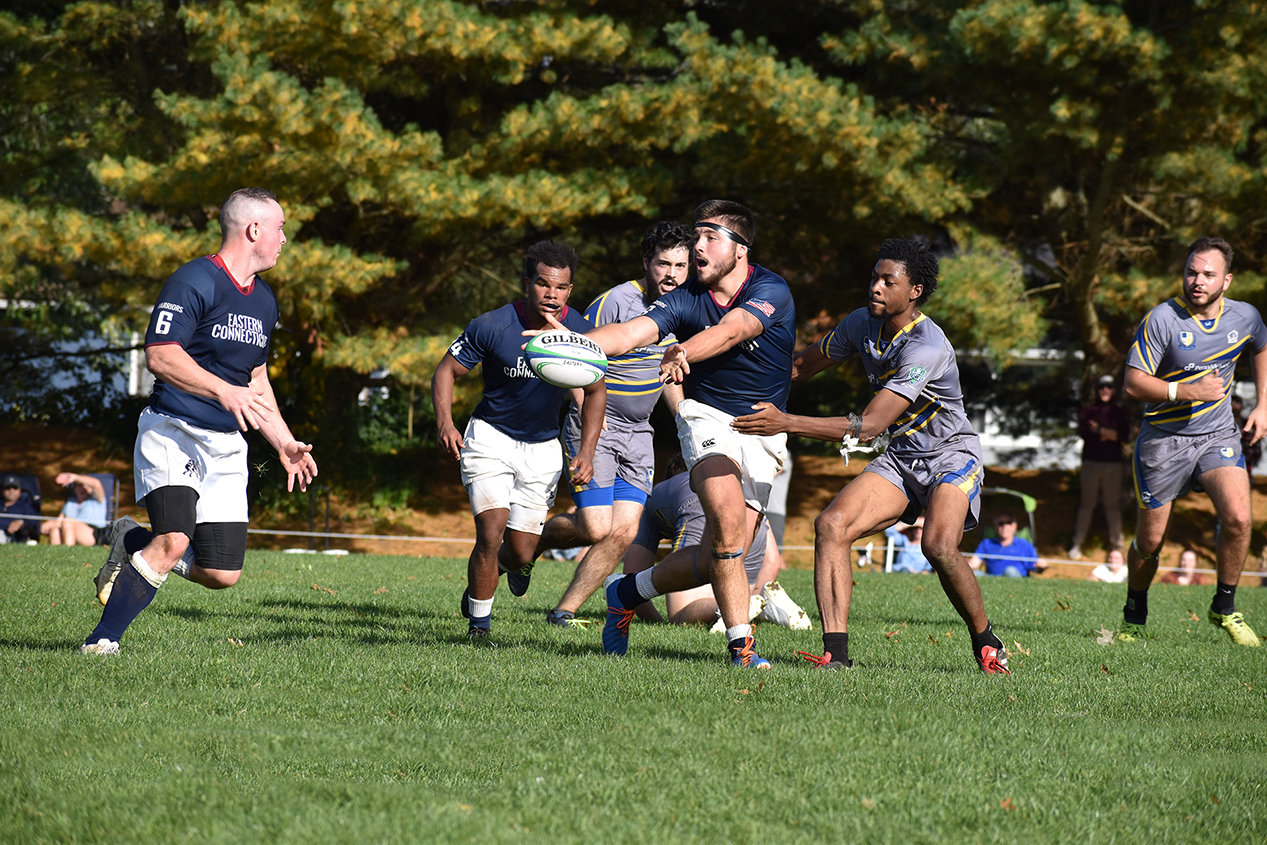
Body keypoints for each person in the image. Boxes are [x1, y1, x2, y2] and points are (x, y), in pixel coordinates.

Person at [731, 237, 1011, 673]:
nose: (875, 287)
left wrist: (785, 422)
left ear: (914, 291)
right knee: (832, 525)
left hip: (951, 457)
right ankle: (836, 656)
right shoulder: (861, 324)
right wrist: (731, 382)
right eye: (874, 277)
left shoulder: (926, 347)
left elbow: (871, 425)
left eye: (888, 280)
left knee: (938, 545)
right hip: (902, 458)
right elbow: (799, 369)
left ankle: (985, 640)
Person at [81, 187, 318, 656]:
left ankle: (131, 538)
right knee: (172, 542)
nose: (284, 238)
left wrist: (284, 442)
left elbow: (256, 381)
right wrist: (221, 389)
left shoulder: (264, 301)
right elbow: (161, 356)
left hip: (227, 446)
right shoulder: (194, 281)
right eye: (280, 227)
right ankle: (102, 640)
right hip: (174, 431)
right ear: (254, 230)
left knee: (222, 573)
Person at [579, 200, 796, 669]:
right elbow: (632, 332)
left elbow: (734, 330)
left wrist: (683, 351)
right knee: (727, 525)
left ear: (740, 249)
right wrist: (573, 345)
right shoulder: (684, 297)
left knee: (721, 549)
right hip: (707, 419)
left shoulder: (770, 289)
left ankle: (626, 591)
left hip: (762, 431)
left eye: (710, 238)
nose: (698, 246)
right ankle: (742, 648)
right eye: (696, 236)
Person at [432, 240, 606, 639]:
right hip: (490, 439)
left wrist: (587, 452)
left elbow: (597, 391)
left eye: (561, 288)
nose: (552, 295)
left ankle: (490, 578)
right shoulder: (493, 325)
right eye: (544, 285)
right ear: (528, 283)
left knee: (522, 551)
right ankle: (480, 627)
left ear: (570, 290)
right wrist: (445, 423)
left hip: (543, 448)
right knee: (491, 532)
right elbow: (445, 371)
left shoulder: (578, 331)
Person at [531, 222, 691, 626]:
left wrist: (686, 421)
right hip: (598, 425)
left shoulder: (688, 307)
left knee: (623, 531)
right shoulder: (616, 302)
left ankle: (563, 611)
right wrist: (590, 424)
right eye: (663, 263)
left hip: (640, 434)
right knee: (595, 526)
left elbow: (668, 373)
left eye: (681, 265)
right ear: (646, 263)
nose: (671, 274)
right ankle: (531, 542)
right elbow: (575, 361)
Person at [1119, 236, 1266, 647]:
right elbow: (1133, 382)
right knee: (1150, 543)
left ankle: (1225, 607)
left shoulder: (1245, 317)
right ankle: (1135, 611)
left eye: (1208, 274)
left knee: (1238, 518)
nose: (1197, 280)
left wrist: (1263, 405)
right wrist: (1188, 391)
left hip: (1217, 434)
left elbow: (1261, 344)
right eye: (1191, 272)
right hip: (1163, 441)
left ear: (1227, 280)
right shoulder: (1162, 319)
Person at [621, 453, 810, 629]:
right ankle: (758, 604)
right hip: (748, 514)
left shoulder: (658, 492)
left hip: (699, 510)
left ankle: (745, 607)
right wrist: (755, 591)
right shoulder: (733, 485)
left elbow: (632, 572)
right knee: (734, 596)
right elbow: (773, 562)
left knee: (682, 611)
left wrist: (657, 622)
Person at [1068, 374, 1130, 559]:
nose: (1105, 390)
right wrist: (1109, 434)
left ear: (1114, 390)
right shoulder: (1087, 410)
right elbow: (1085, 433)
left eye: (1109, 386)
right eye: (1102, 386)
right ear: (1097, 389)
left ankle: (1117, 546)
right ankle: (1077, 544)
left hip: (1113, 465)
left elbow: (1123, 435)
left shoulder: (1119, 412)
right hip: (1091, 463)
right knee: (1087, 504)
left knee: (1112, 506)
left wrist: (1099, 430)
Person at [968, 513, 1043, 578]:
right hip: (991, 577)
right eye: (1001, 523)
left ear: (1014, 526)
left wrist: (1042, 565)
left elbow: (1035, 565)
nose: (1004, 526)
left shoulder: (1025, 544)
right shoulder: (987, 543)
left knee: (1010, 570)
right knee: (974, 574)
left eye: (1008, 523)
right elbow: (973, 563)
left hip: (1015, 578)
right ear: (995, 526)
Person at [41, 472, 106, 546]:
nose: (84, 488)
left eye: (87, 485)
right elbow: (59, 521)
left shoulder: (96, 499)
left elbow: (96, 483)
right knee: (54, 529)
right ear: (75, 489)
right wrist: (51, 523)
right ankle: (55, 556)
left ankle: (69, 553)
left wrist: (75, 477)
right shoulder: (70, 502)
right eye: (79, 485)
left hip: (93, 534)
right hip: (69, 528)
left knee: (68, 521)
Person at [0, 475, 40, 544]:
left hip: (14, 538)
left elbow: (34, 522)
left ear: (20, 490)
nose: (11, 491)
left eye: (15, 488)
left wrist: (21, 522)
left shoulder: (26, 507)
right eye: (7, 488)